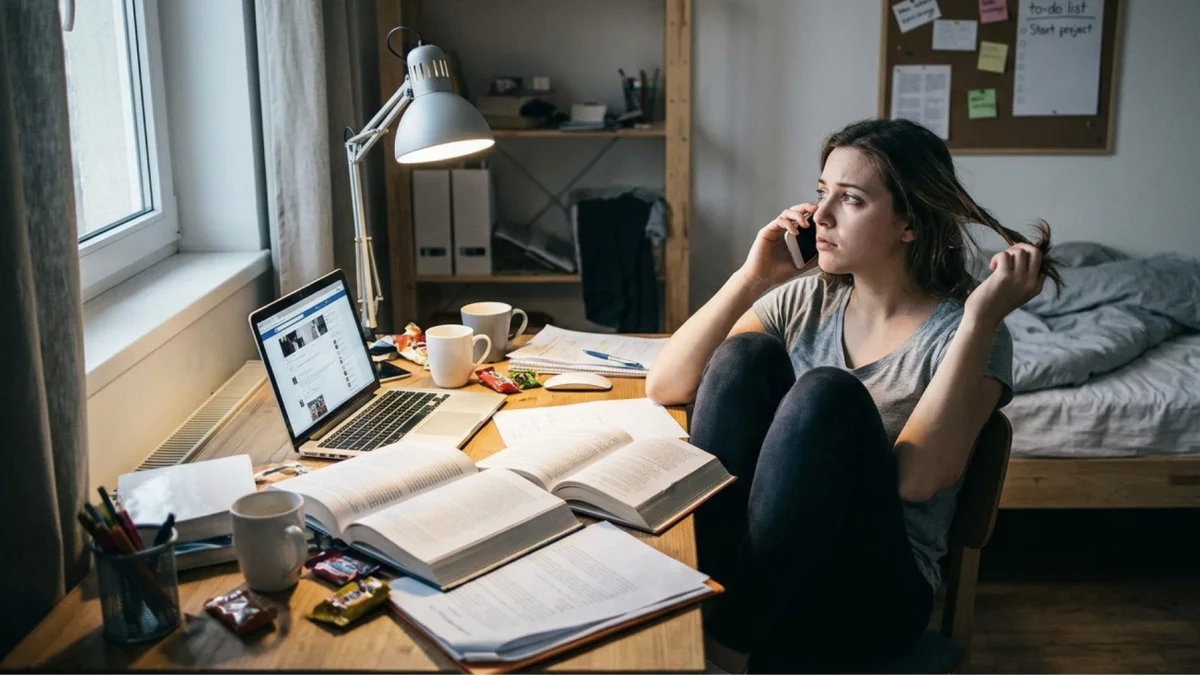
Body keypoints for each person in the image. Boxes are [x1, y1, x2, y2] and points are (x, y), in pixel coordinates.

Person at [645, 118, 1063, 673]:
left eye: (851, 199)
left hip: (871, 598)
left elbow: (917, 481)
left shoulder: (967, 334)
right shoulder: (805, 300)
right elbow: (667, 384)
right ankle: (713, 601)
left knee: (825, 394)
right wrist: (752, 278)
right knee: (742, 356)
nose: (820, 215)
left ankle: (726, 645)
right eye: (822, 192)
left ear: (909, 223)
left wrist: (980, 318)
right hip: (763, 571)